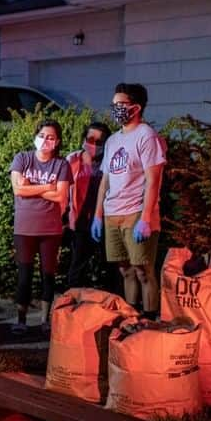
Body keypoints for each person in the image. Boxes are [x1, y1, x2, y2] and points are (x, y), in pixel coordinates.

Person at [92, 83, 166, 319]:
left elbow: (153, 181)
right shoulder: (113, 140)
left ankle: (149, 317)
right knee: (125, 270)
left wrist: (145, 218)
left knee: (143, 270)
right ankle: (131, 318)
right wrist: (97, 215)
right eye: (113, 105)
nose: (116, 109)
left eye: (120, 105)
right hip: (113, 213)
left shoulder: (147, 136)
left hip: (136, 212)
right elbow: (105, 181)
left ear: (136, 107)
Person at [9, 119, 71, 335]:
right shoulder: (22, 159)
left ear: (57, 142)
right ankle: (21, 319)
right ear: (36, 136)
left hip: (50, 229)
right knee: (24, 273)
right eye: (43, 135)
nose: (46, 141)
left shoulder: (62, 165)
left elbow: (61, 195)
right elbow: (18, 190)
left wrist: (31, 187)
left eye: (51, 137)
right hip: (24, 228)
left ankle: (45, 320)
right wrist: (46, 187)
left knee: (48, 275)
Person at [64, 122, 113, 289]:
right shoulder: (72, 160)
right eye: (90, 139)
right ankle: (72, 307)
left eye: (99, 142)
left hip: (105, 221)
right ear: (84, 138)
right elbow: (63, 191)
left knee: (111, 267)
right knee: (77, 266)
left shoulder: (110, 162)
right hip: (80, 221)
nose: (94, 145)